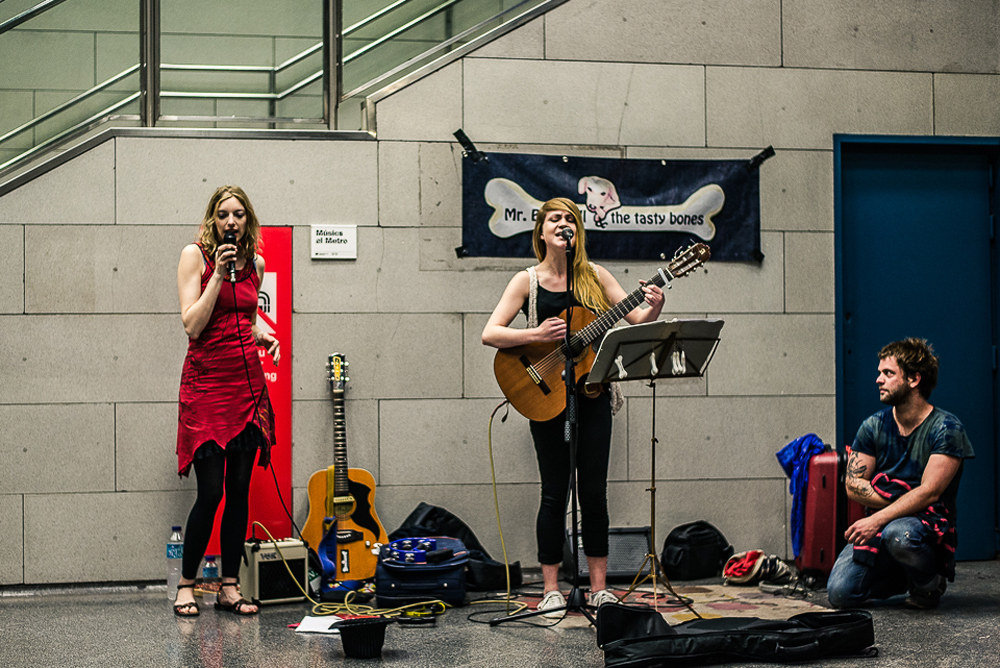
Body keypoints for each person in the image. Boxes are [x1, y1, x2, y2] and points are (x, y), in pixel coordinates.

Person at [481, 197, 665, 616]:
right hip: (545, 396)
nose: (564, 225)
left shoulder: (595, 277)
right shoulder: (526, 280)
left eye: (571, 219)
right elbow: (490, 333)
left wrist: (653, 303)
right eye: (555, 219)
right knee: (553, 493)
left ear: (578, 232)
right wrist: (538, 335)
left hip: (594, 397)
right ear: (542, 232)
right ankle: (550, 589)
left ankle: (598, 589)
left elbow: (637, 319)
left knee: (594, 493)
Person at [172, 186, 280, 617]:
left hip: (246, 386)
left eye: (238, 214)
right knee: (211, 492)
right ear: (212, 220)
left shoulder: (256, 263)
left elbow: (244, 319)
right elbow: (193, 325)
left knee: (239, 490)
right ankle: (187, 584)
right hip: (206, 386)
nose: (231, 222)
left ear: (247, 219)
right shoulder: (194, 256)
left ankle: (229, 587)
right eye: (223, 215)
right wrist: (217, 273)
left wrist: (262, 334)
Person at [827, 338, 974, 610]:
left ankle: (929, 584)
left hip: (923, 531)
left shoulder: (947, 428)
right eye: (880, 372)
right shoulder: (872, 426)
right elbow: (852, 484)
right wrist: (908, 502)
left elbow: (930, 492)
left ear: (914, 379)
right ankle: (902, 576)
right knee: (839, 594)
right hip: (884, 529)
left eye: (888, 373)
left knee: (900, 535)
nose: (878, 380)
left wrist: (878, 518)